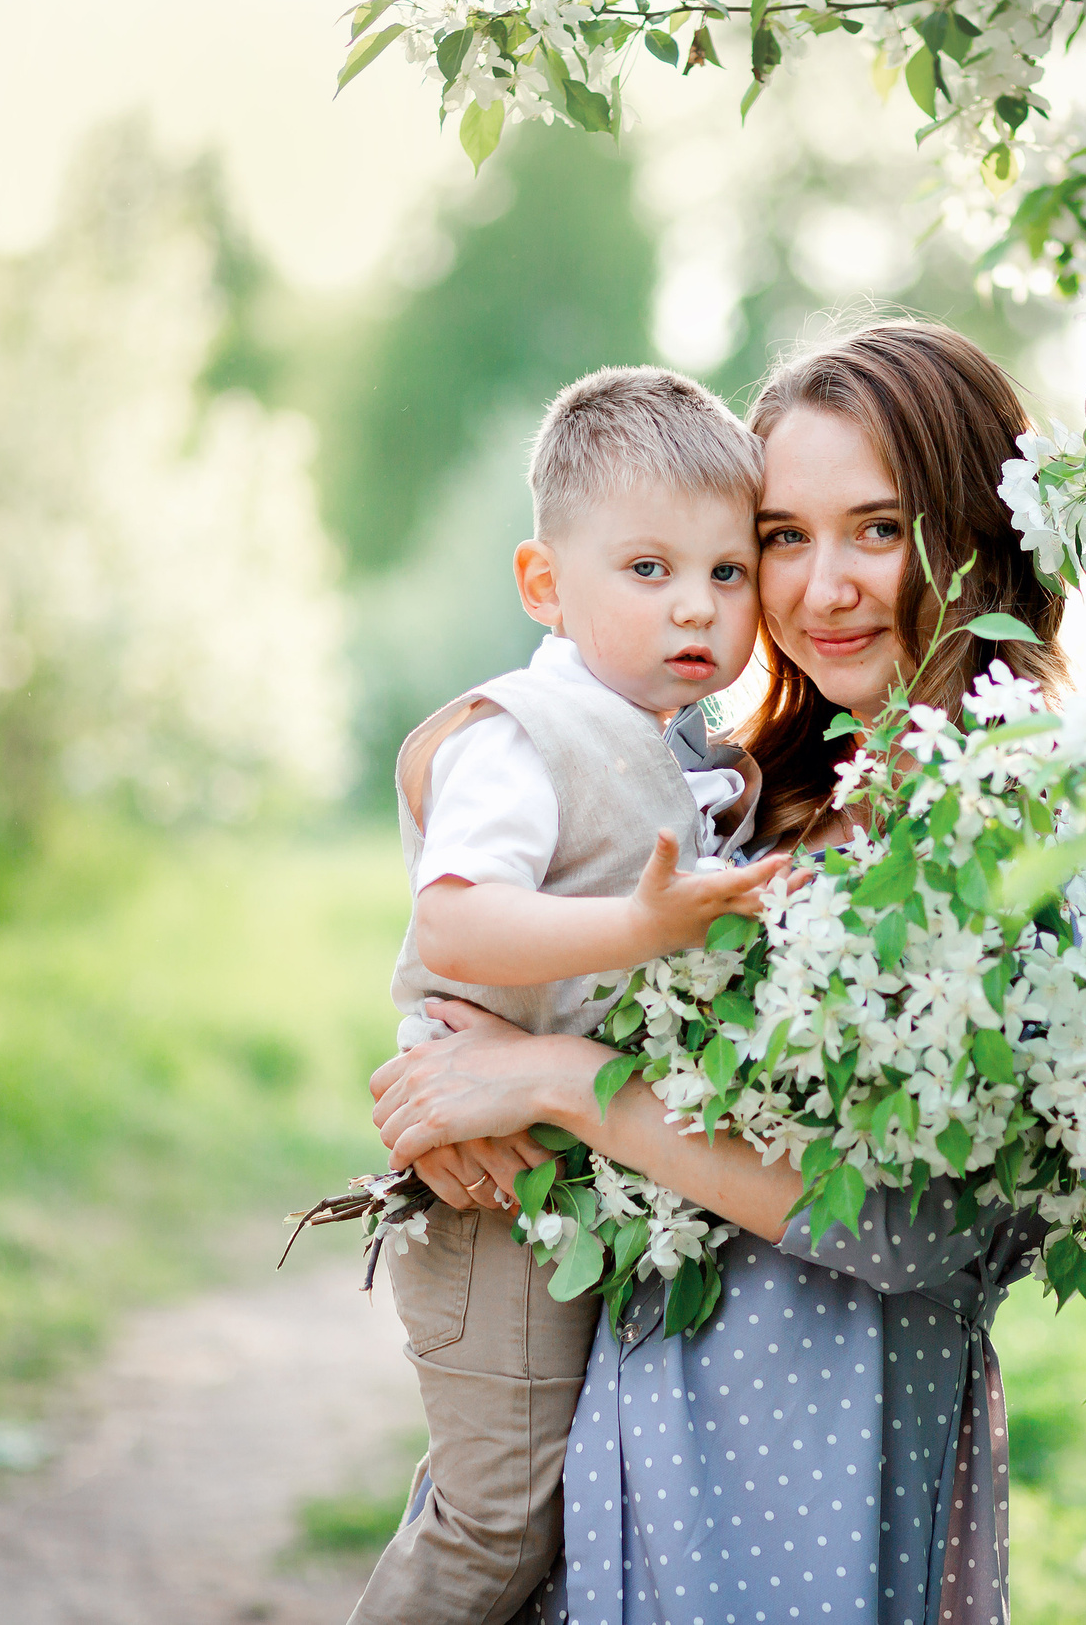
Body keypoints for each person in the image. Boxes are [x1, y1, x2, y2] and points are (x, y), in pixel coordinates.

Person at [373, 321, 1067, 1625]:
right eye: (786, 538)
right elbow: (553, 962)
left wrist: (561, 1079)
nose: (821, 587)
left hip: (812, 1452)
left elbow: (926, 1226)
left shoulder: (1020, 821)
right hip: (628, 1405)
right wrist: (451, 1070)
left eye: (878, 527)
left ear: (977, 532)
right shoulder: (765, 793)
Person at [350, 365, 799, 1625]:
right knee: (498, 1521)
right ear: (546, 584)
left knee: (564, 1517)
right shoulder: (525, 735)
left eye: (724, 573)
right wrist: (636, 925)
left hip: (573, 1191)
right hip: (490, 1199)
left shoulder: (687, 747)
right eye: (645, 571)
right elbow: (451, 915)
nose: (694, 609)